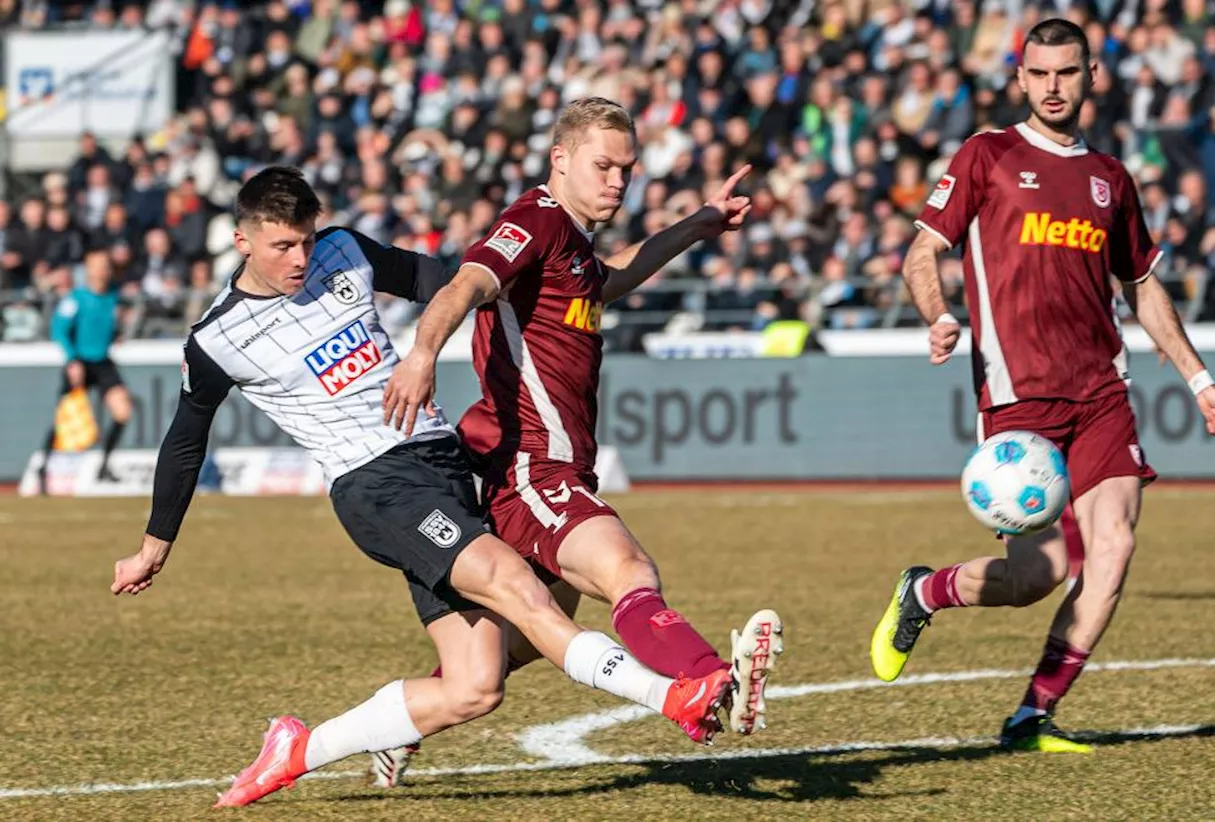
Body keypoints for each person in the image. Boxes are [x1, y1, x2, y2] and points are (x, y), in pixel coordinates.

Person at [109, 166, 741, 808]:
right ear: (243, 242)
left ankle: (299, 748)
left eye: (306, 239)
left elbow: (445, 283)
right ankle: (671, 695)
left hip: (441, 464)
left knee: (475, 687)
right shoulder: (218, 339)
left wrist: (549, 283)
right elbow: (185, 440)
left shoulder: (344, 250)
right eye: (282, 247)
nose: (300, 258)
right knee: (518, 587)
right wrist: (153, 546)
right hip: (376, 484)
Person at [869, 19, 1215, 753]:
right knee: (1037, 576)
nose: (1052, 87)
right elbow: (922, 252)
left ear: (1091, 76)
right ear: (1020, 78)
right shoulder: (988, 154)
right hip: (1019, 401)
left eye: (1067, 73)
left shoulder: (1111, 176)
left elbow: (1142, 286)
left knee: (1112, 551)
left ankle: (1032, 717)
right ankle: (924, 591)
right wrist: (938, 316)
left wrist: (1200, 381)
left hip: (1103, 394)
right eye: (1039, 73)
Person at [374, 97, 784, 781]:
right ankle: (713, 680)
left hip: (560, 469)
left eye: (627, 169)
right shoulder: (534, 221)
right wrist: (420, 356)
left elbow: (609, 279)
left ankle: (407, 719)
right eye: (604, 166)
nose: (618, 182)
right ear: (559, 160)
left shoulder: (573, 244)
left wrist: (697, 225)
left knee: (522, 639)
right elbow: (466, 283)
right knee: (629, 572)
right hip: (533, 470)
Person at [40, 248, 134, 488]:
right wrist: (72, 360)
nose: (102, 270)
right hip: (79, 362)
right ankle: (43, 467)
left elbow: (111, 324)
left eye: (105, 265)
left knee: (123, 411)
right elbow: (59, 330)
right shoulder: (76, 297)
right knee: (65, 419)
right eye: (97, 265)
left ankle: (104, 465)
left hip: (102, 361)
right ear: (88, 270)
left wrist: (116, 335)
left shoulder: (114, 295)